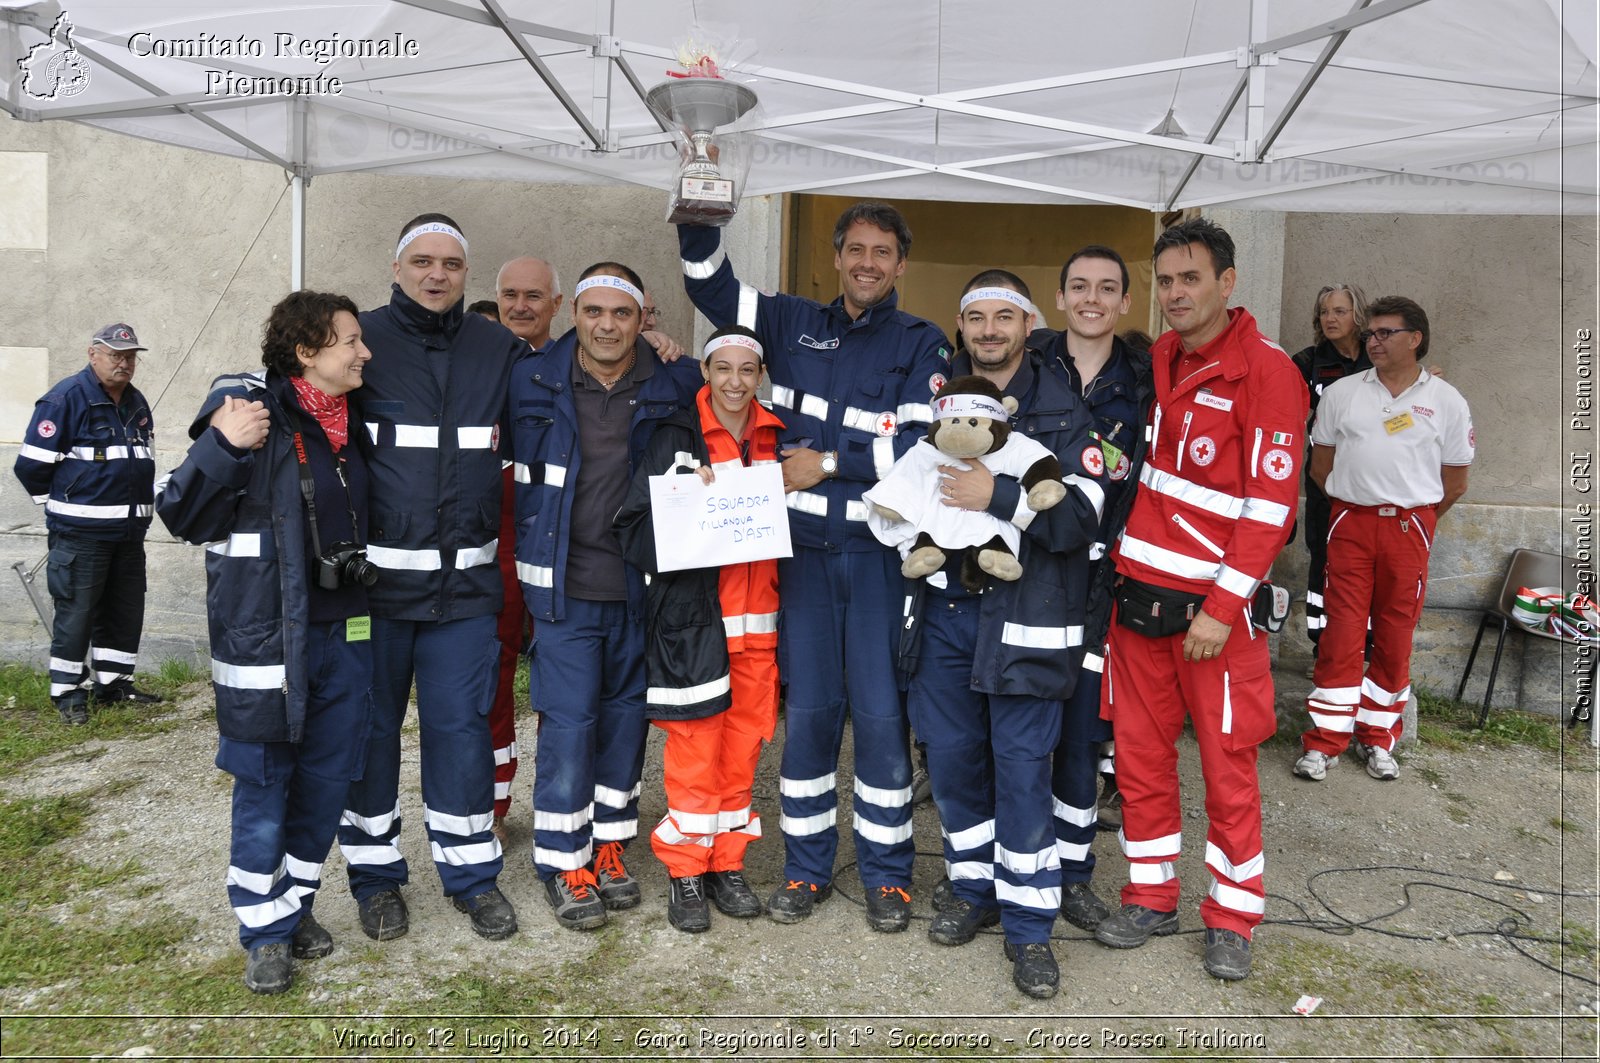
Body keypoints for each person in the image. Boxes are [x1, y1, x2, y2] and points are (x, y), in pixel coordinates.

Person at [677, 202, 951, 931]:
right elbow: (710, 285)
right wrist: (699, 211)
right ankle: (805, 869)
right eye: (855, 248)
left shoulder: (922, 343)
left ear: (900, 265)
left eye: (882, 252)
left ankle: (889, 877)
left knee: (882, 719)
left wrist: (827, 463)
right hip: (797, 562)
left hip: (875, 563)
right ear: (836, 257)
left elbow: (921, 451)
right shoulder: (792, 321)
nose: (867, 262)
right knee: (809, 720)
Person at [1093, 218, 1307, 982]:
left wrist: (1222, 606)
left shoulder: (1269, 373)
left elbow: (1270, 506)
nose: (1177, 294)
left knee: (1227, 769)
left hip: (1212, 620)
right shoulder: (1159, 357)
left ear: (1228, 281)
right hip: (1137, 607)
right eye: (1167, 281)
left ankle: (1232, 915)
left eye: (1192, 278)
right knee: (1141, 762)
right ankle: (1150, 894)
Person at [889, 272, 1102, 998]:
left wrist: (999, 494)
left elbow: (1079, 523)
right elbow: (902, 498)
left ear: (1028, 323)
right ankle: (971, 889)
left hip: (1028, 619)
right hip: (945, 615)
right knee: (951, 763)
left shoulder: (1067, 411)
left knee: (1020, 772)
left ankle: (1031, 927)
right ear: (960, 324)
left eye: (1003, 316)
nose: (988, 329)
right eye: (975, 316)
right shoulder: (939, 402)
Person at [155, 290, 373, 994]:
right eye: (350, 340)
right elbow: (181, 514)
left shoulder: (355, 421)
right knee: (264, 783)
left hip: (347, 634)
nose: (364, 352)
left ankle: (294, 905)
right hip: (265, 643)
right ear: (307, 351)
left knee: (325, 784)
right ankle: (265, 932)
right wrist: (221, 444)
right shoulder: (253, 418)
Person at [336, 212, 525, 944]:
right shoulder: (359, 342)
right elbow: (298, 398)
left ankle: (472, 876)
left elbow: (562, 392)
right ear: (397, 267)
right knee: (370, 735)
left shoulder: (497, 348)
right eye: (422, 261)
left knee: (460, 734)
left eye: (450, 262)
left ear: (466, 273)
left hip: (466, 599)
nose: (436, 274)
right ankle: (377, 880)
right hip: (375, 597)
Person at [512, 262, 701, 931]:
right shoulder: (532, 378)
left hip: (640, 588)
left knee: (626, 724)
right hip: (563, 589)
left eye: (621, 313)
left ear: (642, 316)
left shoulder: (678, 379)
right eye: (593, 311)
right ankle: (564, 860)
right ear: (576, 315)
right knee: (568, 726)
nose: (606, 325)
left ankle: (610, 846)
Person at [613, 324, 785, 934]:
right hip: (693, 626)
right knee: (694, 752)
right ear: (705, 373)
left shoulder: (779, 440)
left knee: (742, 755)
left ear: (760, 375)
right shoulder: (675, 438)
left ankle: (726, 864)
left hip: (759, 632)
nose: (735, 382)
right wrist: (681, 505)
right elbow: (630, 531)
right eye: (723, 369)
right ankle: (686, 870)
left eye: (747, 370)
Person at [1293, 297, 1472, 782]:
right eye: (1370, 333)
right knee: (1341, 634)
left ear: (1414, 339)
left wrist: (1415, 517)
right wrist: (1354, 504)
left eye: (1385, 333)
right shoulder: (1343, 393)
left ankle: (1377, 739)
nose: (1373, 341)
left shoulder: (1446, 400)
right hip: (1350, 524)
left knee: (1394, 637)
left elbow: (1455, 480)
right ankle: (1324, 742)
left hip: (1409, 528)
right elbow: (1320, 465)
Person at [1030, 246, 1153, 930]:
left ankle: (1073, 875)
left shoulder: (1143, 381)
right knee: (1018, 736)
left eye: (1108, 288)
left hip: (1099, 586)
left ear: (1125, 303)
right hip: (1024, 580)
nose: (1092, 298)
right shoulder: (1027, 362)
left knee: (1081, 738)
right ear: (1060, 296)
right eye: (1079, 286)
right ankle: (1007, 871)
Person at [15, 323, 164, 724]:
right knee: (77, 614)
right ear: (92, 353)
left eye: (130, 356)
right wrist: (63, 505)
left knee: (123, 611)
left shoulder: (136, 403)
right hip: (81, 535)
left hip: (129, 534)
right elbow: (30, 466)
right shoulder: (65, 399)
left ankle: (113, 686)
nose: (124, 362)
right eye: (115, 354)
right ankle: (67, 692)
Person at [1291, 284, 1372, 659]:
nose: (1330, 319)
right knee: (1323, 562)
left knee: (1368, 566)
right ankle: (1322, 648)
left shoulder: (1378, 359)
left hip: (1372, 484)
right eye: (1325, 312)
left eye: (1339, 311)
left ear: (1358, 316)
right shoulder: (1308, 362)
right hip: (1325, 482)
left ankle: (1365, 649)